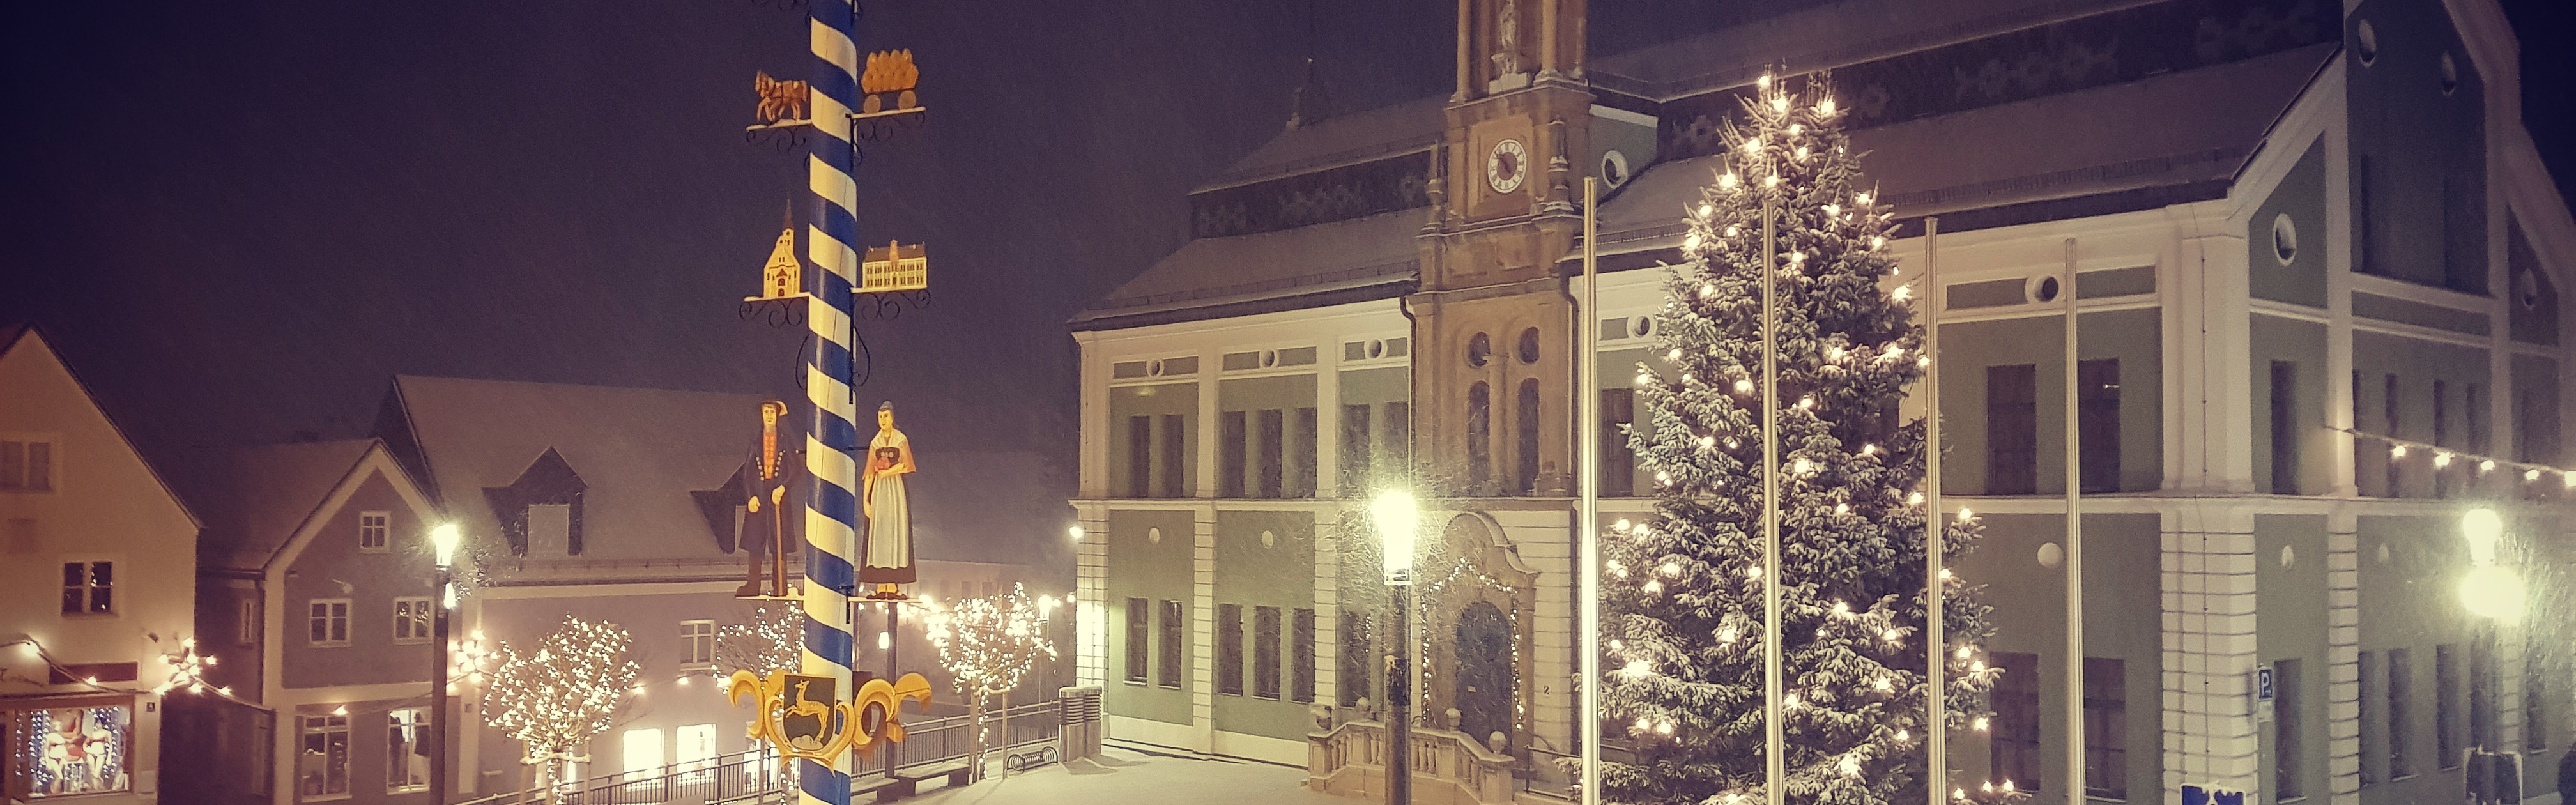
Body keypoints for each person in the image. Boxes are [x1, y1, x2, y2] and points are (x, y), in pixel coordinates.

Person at [859, 402, 917, 599]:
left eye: (886, 417)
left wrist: (888, 472)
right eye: (880, 417)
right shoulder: (875, 443)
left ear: (892, 418)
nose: (883, 421)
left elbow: (907, 465)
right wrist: (866, 500)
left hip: (895, 490)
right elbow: (869, 473)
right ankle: (880, 584)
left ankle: (893, 584)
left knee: (895, 531)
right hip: (879, 492)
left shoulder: (901, 440)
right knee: (880, 533)